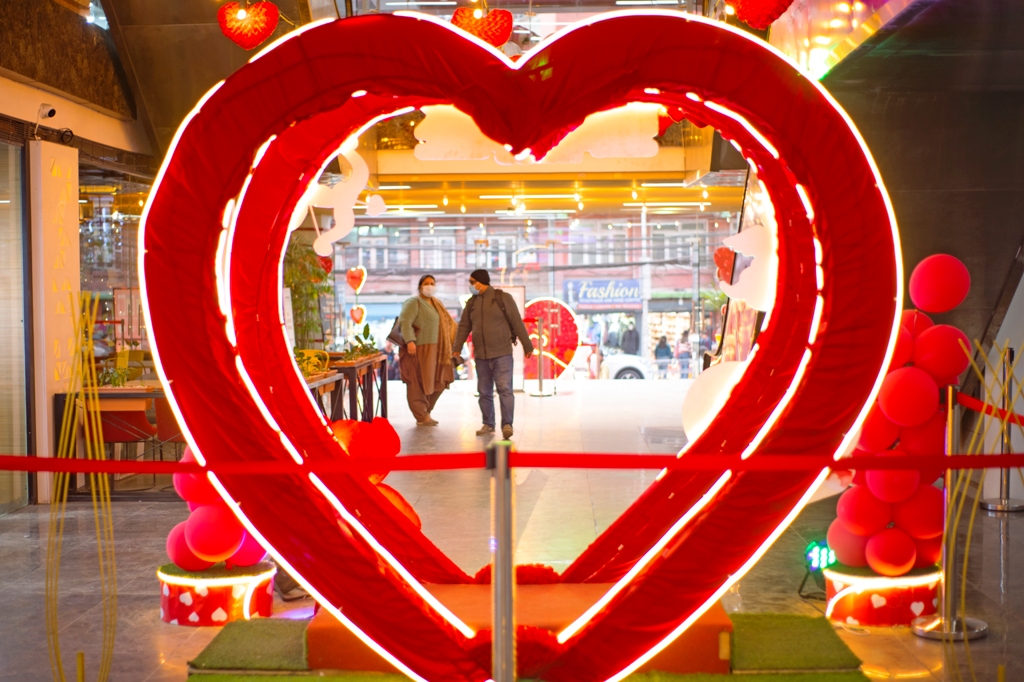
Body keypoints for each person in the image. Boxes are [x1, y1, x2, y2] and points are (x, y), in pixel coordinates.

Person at [453, 269, 534, 439]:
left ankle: (507, 425)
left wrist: (527, 345)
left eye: (473, 282)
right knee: (484, 392)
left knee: (504, 389)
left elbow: (517, 322)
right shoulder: (471, 303)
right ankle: (488, 424)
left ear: (482, 282)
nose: (470, 285)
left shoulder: (503, 298)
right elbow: (464, 327)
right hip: (481, 356)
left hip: (502, 353)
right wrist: (456, 348)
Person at [398, 274, 457, 426]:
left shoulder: (436, 303)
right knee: (417, 381)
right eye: (426, 283)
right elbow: (405, 321)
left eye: (432, 283)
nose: (429, 286)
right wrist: (410, 340)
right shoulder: (413, 302)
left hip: (439, 349)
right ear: (420, 287)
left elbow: (449, 323)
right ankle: (421, 415)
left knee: (440, 379)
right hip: (419, 348)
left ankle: (426, 410)